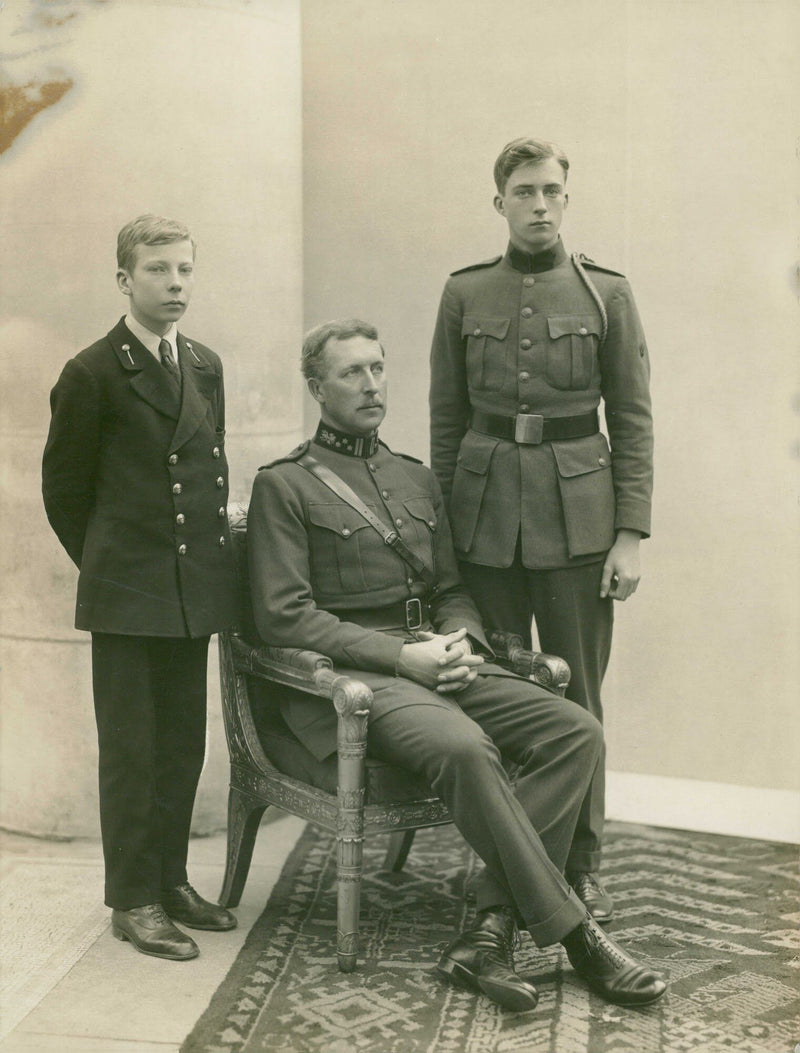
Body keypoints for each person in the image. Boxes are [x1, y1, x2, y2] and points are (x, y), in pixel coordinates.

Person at [247, 318, 665, 1012]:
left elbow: (450, 589)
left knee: (576, 730)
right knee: (465, 745)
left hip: (438, 657)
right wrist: (401, 655)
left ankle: (487, 931)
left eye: (378, 368)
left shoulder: (415, 477)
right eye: (351, 372)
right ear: (317, 386)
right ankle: (577, 936)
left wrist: (461, 640)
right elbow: (285, 617)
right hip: (360, 678)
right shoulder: (285, 486)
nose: (370, 383)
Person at [429, 138, 654, 924]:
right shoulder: (465, 294)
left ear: (567, 198)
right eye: (523, 191)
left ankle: (579, 864)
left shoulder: (607, 295)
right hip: (484, 520)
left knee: (580, 699)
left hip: (578, 522)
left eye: (552, 190)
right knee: (490, 696)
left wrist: (629, 532)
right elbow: (447, 421)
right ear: (499, 202)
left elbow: (630, 418)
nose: (538, 204)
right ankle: (502, 862)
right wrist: (444, 531)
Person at [42, 214, 238, 961]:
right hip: (130, 592)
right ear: (125, 279)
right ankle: (133, 897)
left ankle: (172, 878)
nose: (176, 282)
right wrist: (114, 563)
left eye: (185, 268)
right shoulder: (92, 371)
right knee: (131, 750)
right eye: (158, 270)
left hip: (191, 590)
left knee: (182, 745)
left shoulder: (205, 365)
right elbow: (65, 492)